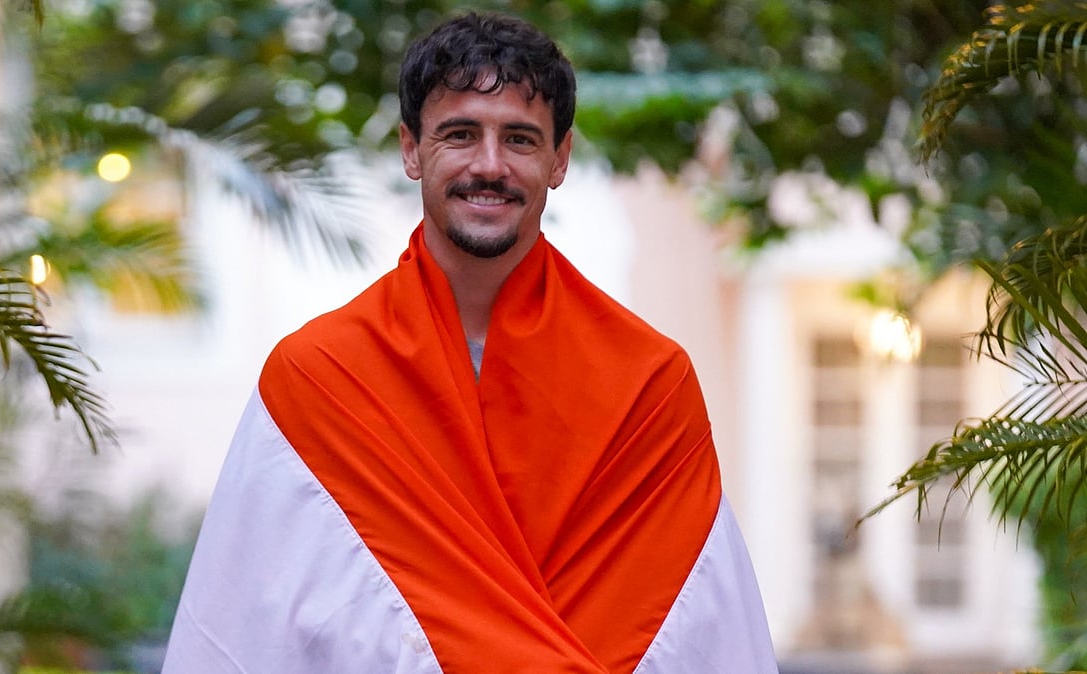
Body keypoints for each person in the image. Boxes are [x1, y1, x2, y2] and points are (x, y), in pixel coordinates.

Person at [162, 11, 776, 673]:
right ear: (410, 149)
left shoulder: (649, 386)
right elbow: (240, 635)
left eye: (519, 138)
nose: (490, 165)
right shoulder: (316, 382)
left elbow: (709, 642)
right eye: (460, 134)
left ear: (559, 158)